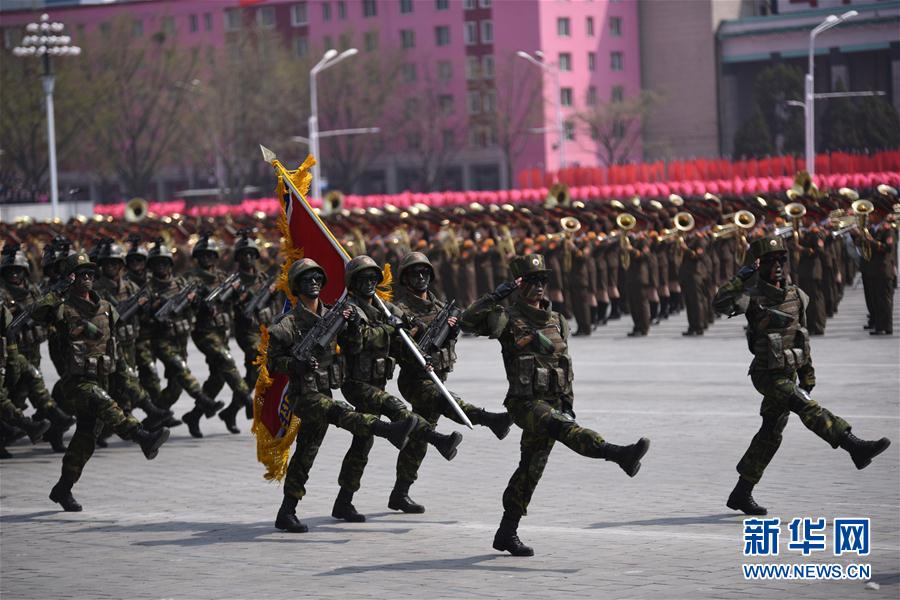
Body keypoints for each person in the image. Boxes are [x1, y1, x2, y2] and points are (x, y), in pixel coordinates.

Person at [461, 254, 651, 557]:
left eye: (542, 280)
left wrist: (568, 402)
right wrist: (496, 294)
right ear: (518, 283)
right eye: (530, 280)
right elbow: (467, 322)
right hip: (525, 403)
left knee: (530, 469)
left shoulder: (557, 320)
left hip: (553, 401)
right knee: (564, 429)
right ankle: (618, 454)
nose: (538, 286)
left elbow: (564, 364)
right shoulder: (506, 317)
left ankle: (506, 533)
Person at [713, 236, 892, 515]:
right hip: (766, 375)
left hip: (789, 371)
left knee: (770, 434)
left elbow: (802, 337)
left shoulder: (797, 295)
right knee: (807, 408)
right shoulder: (752, 298)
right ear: (759, 266)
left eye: (781, 260)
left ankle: (741, 492)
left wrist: (807, 373)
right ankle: (853, 445)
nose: (778, 266)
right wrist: (740, 278)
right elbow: (719, 303)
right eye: (770, 261)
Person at [267, 259, 416, 532]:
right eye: (305, 279)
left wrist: (355, 325)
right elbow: (273, 363)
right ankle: (389, 430)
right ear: (295, 285)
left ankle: (289, 511)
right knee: (345, 414)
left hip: (323, 389)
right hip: (305, 395)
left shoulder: (333, 316)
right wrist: (294, 365)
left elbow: (356, 344)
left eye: (317, 278)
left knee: (306, 453)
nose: (313, 283)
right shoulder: (287, 323)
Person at [29, 252, 170, 512]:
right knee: (107, 407)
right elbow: (35, 313)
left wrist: (124, 378)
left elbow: (114, 345)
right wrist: (58, 289)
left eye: (90, 274)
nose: (86, 278)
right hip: (76, 382)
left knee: (85, 439)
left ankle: (63, 488)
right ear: (70, 278)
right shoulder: (61, 308)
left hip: (103, 376)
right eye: (80, 274)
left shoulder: (105, 307)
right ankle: (142, 437)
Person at [332, 255, 463, 523]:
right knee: (397, 411)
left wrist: (433, 333)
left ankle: (345, 501)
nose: (369, 283)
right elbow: (356, 345)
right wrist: (387, 329)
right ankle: (439, 440)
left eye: (372, 278)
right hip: (356, 383)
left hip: (378, 381)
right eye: (362, 279)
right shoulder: (349, 311)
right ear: (352, 283)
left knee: (363, 441)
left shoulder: (387, 307)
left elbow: (414, 333)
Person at [389, 252, 512, 513]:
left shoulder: (439, 307)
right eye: (414, 274)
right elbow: (394, 347)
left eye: (424, 273)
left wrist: (453, 332)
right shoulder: (399, 309)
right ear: (405, 279)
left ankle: (400, 493)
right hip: (414, 379)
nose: (421, 278)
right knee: (446, 402)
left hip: (437, 376)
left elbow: (461, 329)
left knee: (419, 438)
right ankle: (489, 419)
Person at [145, 241, 224, 437]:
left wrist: (195, 301)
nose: (161, 267)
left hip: (180, 340)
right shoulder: (147, 289)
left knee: (175, 388)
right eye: (157, 263)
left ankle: (149, 421)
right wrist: (154, 309)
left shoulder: (180, 284)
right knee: (181, 369)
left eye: (164, 263)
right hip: (161, 340)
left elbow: (196, 307)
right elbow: (140, 316)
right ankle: (203, 399)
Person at [184, 234, 253, 434]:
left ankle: (194, 416)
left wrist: (238, 290)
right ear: (197, 257)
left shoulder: (224, 277)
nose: (207, 259)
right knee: (226, 360)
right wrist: (198, 301)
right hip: (204, 331)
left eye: (210, 255)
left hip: (222, 332)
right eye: (203, 255)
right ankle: (247, 400)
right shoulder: (192, 278)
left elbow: (240, 300)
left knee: (218, 378)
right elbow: (186, 301)